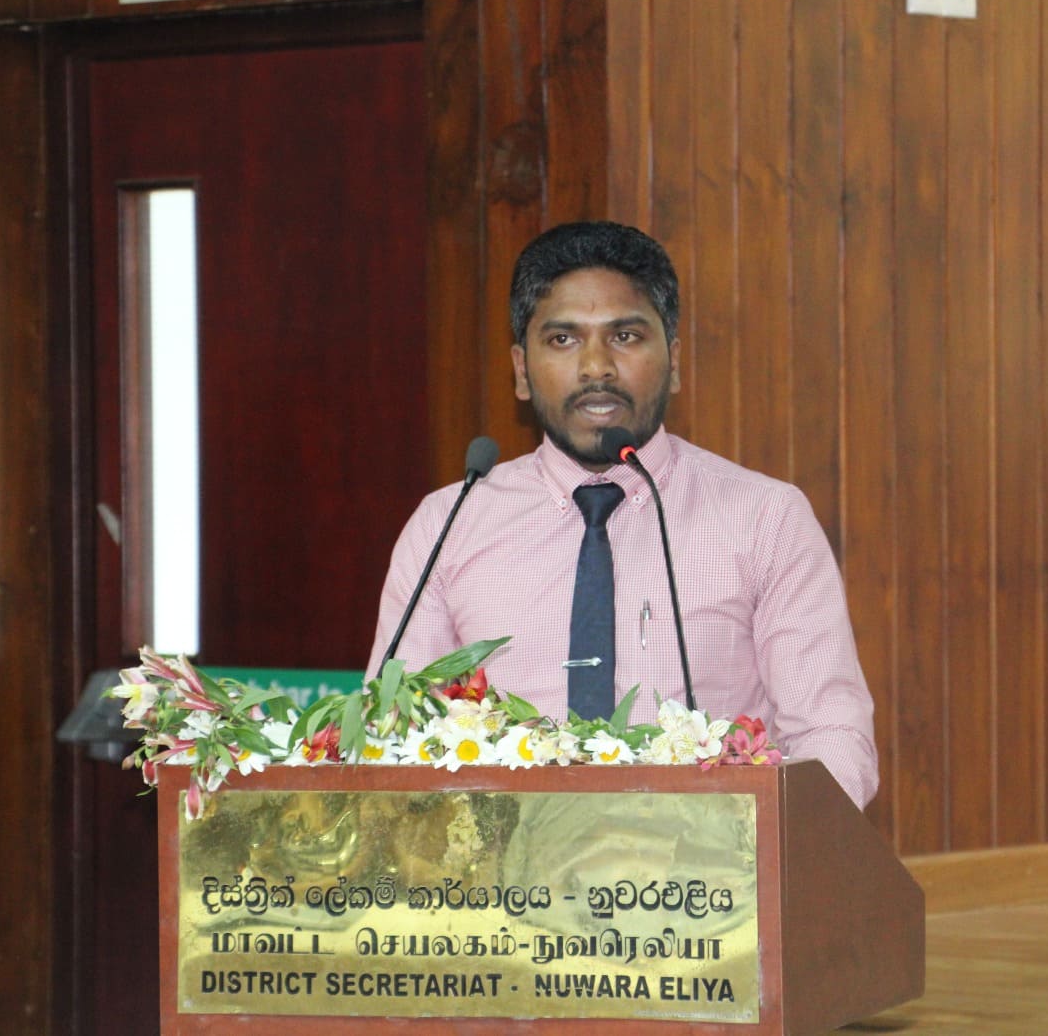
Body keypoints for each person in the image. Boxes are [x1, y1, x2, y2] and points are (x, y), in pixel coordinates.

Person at [366, 221, 878, 808]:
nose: (596, 367)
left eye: (626, 336)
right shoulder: (447, 525)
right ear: (520, 371)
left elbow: (831, 738)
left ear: (675, 361)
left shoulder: (765, 519)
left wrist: (758, 862)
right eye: (562, 340)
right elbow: (393, 740)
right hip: (504, 879)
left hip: (709, 883)